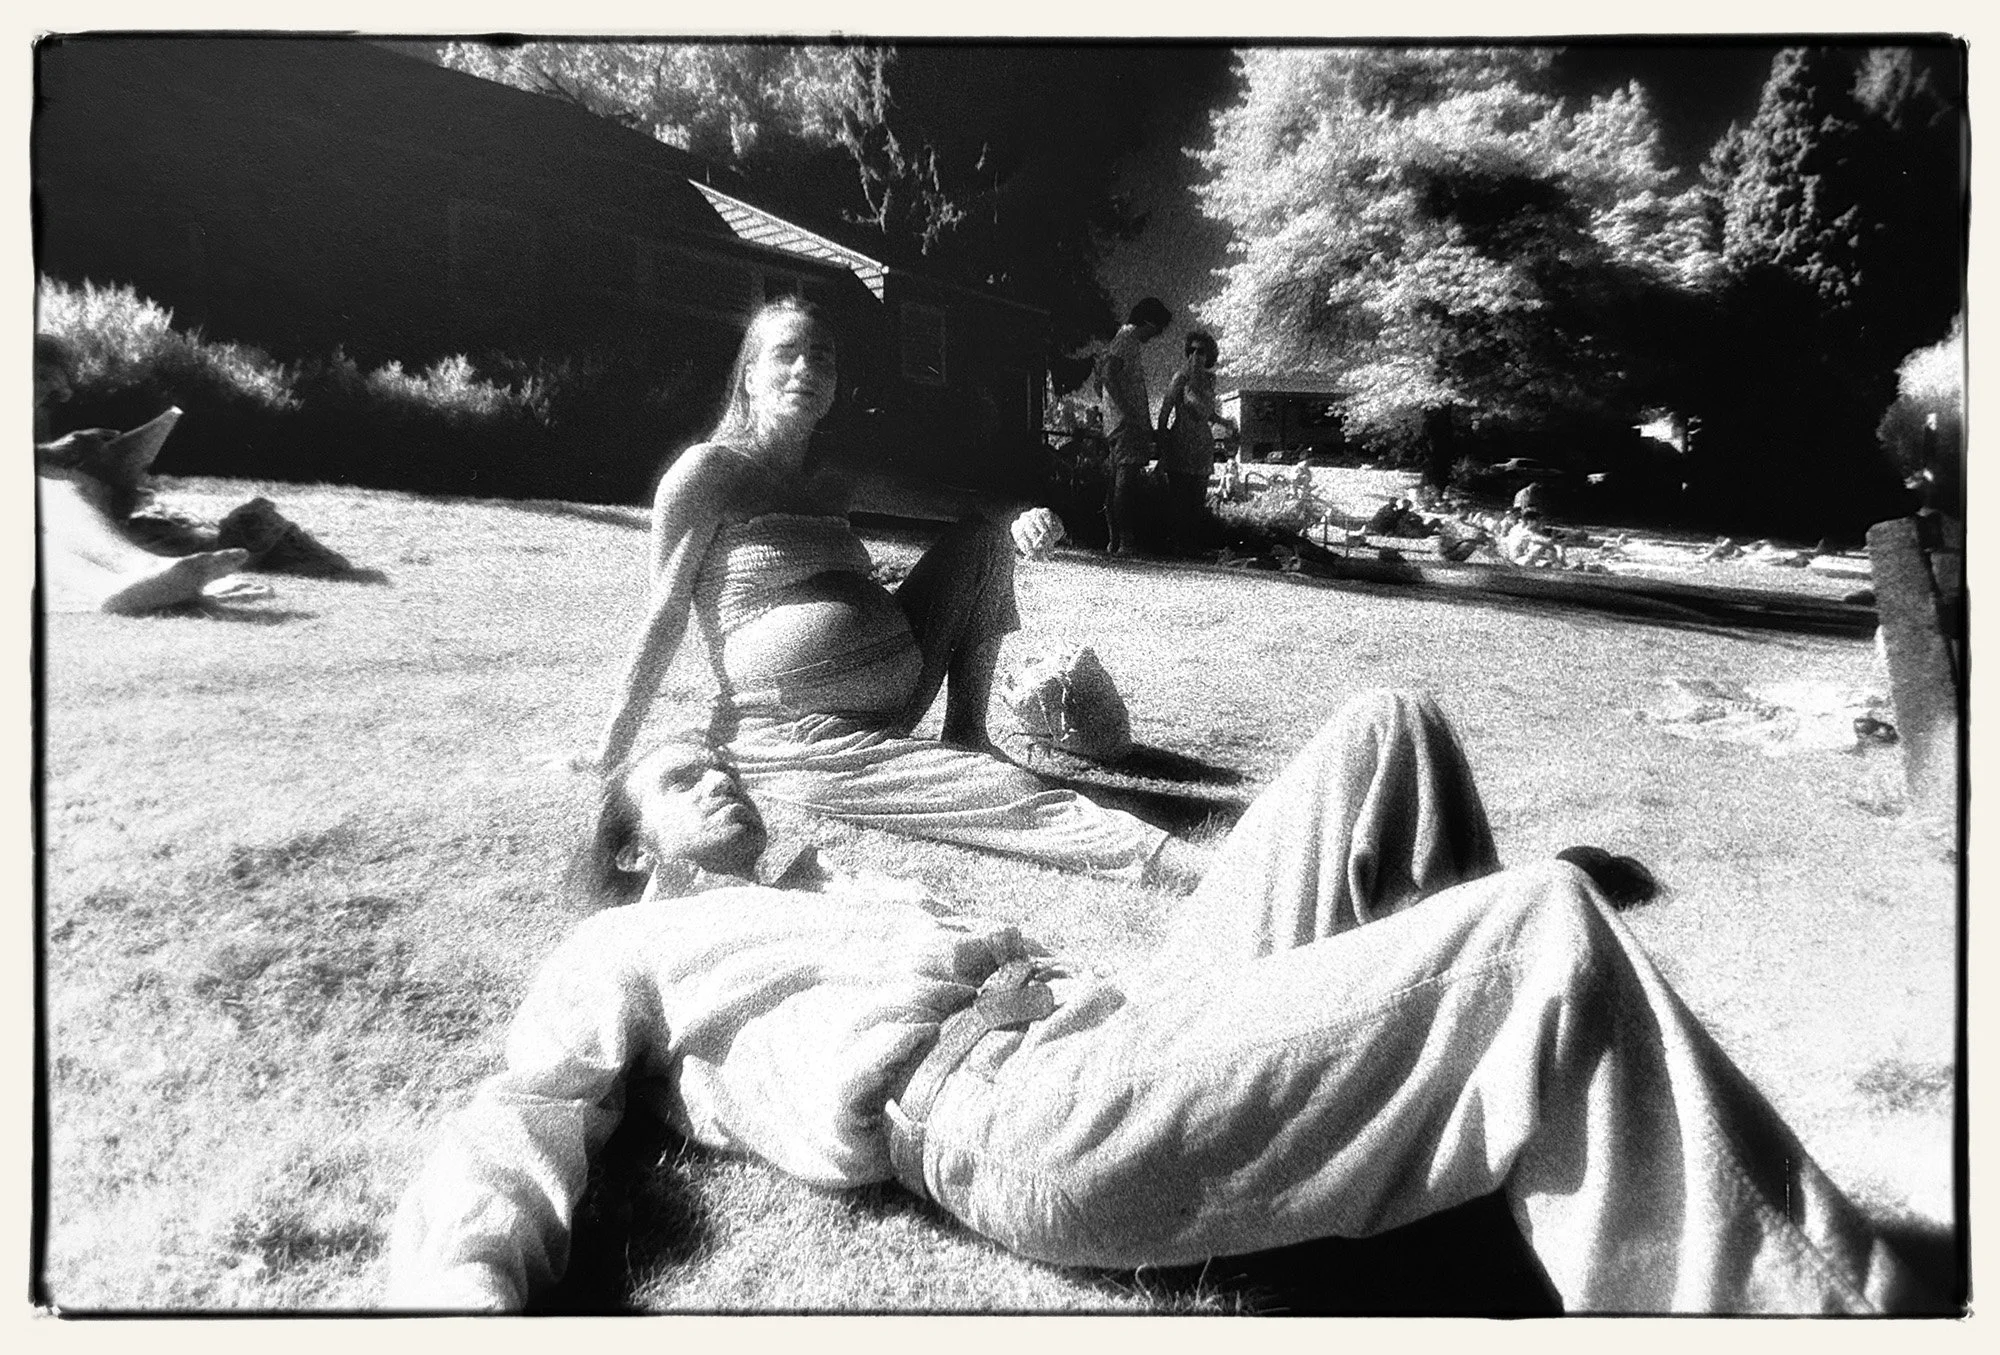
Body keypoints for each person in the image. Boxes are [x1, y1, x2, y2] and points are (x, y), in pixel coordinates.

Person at [388, 689, 1929, 1315]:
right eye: (673, 771)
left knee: (1390, 730)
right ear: (629, 847)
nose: (710, 762)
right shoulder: (622, 954)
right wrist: (462, 1295)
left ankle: (1472, 1167)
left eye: (711, 751)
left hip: (1129, 1022)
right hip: (1023, 1112)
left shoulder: (826, 883)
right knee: (1536, 934)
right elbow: (520, 1113)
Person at [583, 296, 1176, 885]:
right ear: (749, 375)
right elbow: (664, 617)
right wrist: (614, 745)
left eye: (823, 358)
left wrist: (1019, 516)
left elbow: (955, 505)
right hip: (789, 724)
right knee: (1004, 794)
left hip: (899, 691)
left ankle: (968, 732)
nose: (806, 369)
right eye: (785, 353)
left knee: (987, 536)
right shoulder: (706, 473)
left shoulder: (834, 474)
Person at [1096, 297, 1171, 555]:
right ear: (1149, 321)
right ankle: (1125, 542)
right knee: (1125, 481)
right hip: (1126, 424)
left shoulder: (1124, 340)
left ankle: (1114, 541)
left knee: (1118, 478)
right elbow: (1107, 374)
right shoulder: (1127, 338)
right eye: (1158, 329)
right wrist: (1128, 413)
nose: (1157, 335)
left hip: (1120, 422)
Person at [1156, 330, 1236, 554]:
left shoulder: (1210, 379)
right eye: (1191, 350)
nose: (1195, 355)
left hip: (1202, 443)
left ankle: (1192, 546)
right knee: (1179, 498)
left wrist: (1224, 422)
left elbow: (1207, 413)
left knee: (1197, 498)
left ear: (1209, 354)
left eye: (1200, 351)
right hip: (1181, 440)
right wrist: (1163, 451)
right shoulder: (1180, 378)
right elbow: (1165, 412)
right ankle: (1176, 546)